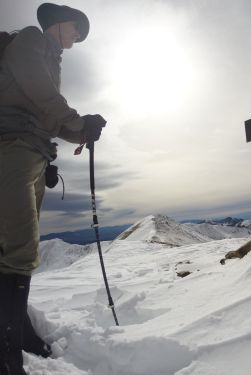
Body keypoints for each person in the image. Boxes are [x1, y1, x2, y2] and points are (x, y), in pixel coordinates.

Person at [0, 3, 106, 374]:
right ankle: (8, 352)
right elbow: (40, 92)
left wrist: (81, 131)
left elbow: (45, 113)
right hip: (10, 149)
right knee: (19, 248)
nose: (77, 36)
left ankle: (18, 332)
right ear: (57, 24)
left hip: (30, 152)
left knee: (16, 247)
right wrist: (78, 121)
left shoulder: (52, 60)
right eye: (75, 28)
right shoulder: (30, 41)